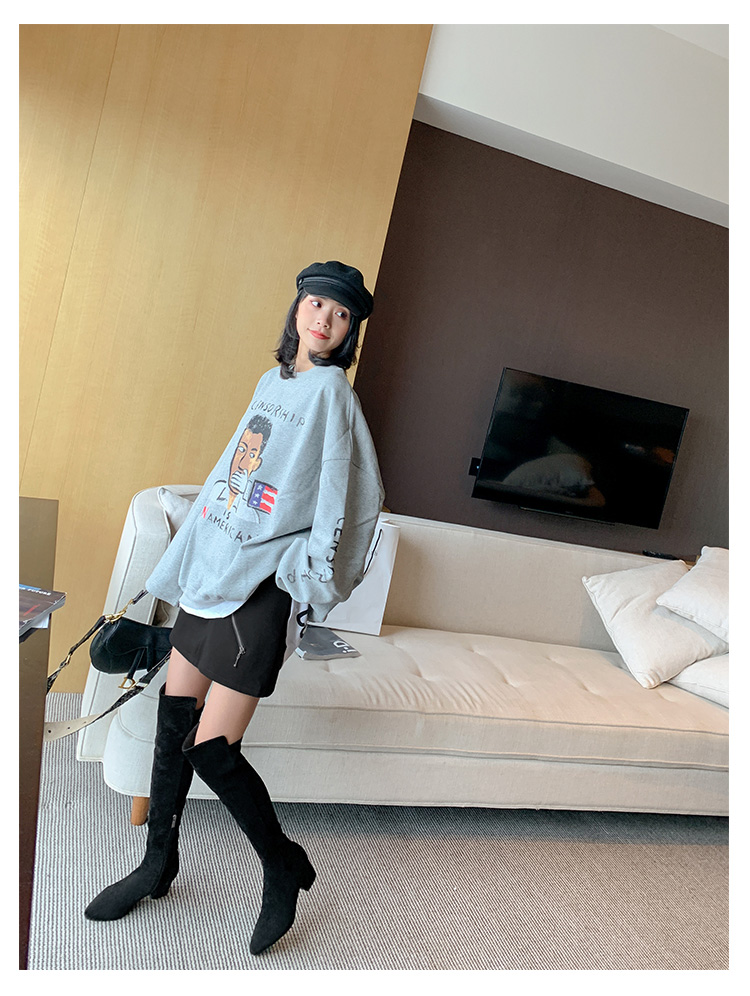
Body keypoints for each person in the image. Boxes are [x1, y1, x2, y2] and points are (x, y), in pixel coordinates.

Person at [84, 261, 384, 956]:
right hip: (216, 572)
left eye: (341, 314)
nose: (325, 319)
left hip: (260, 591)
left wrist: (307, 575)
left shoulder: (332, 395)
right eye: (317, 304)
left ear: (349, 332)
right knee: (173, 721)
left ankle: (283, 865)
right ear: (298, 309)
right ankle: (158, 864)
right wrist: (184, 559)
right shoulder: (272, 382)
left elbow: (350, 496)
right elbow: (228, 474)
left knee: (213, 749)